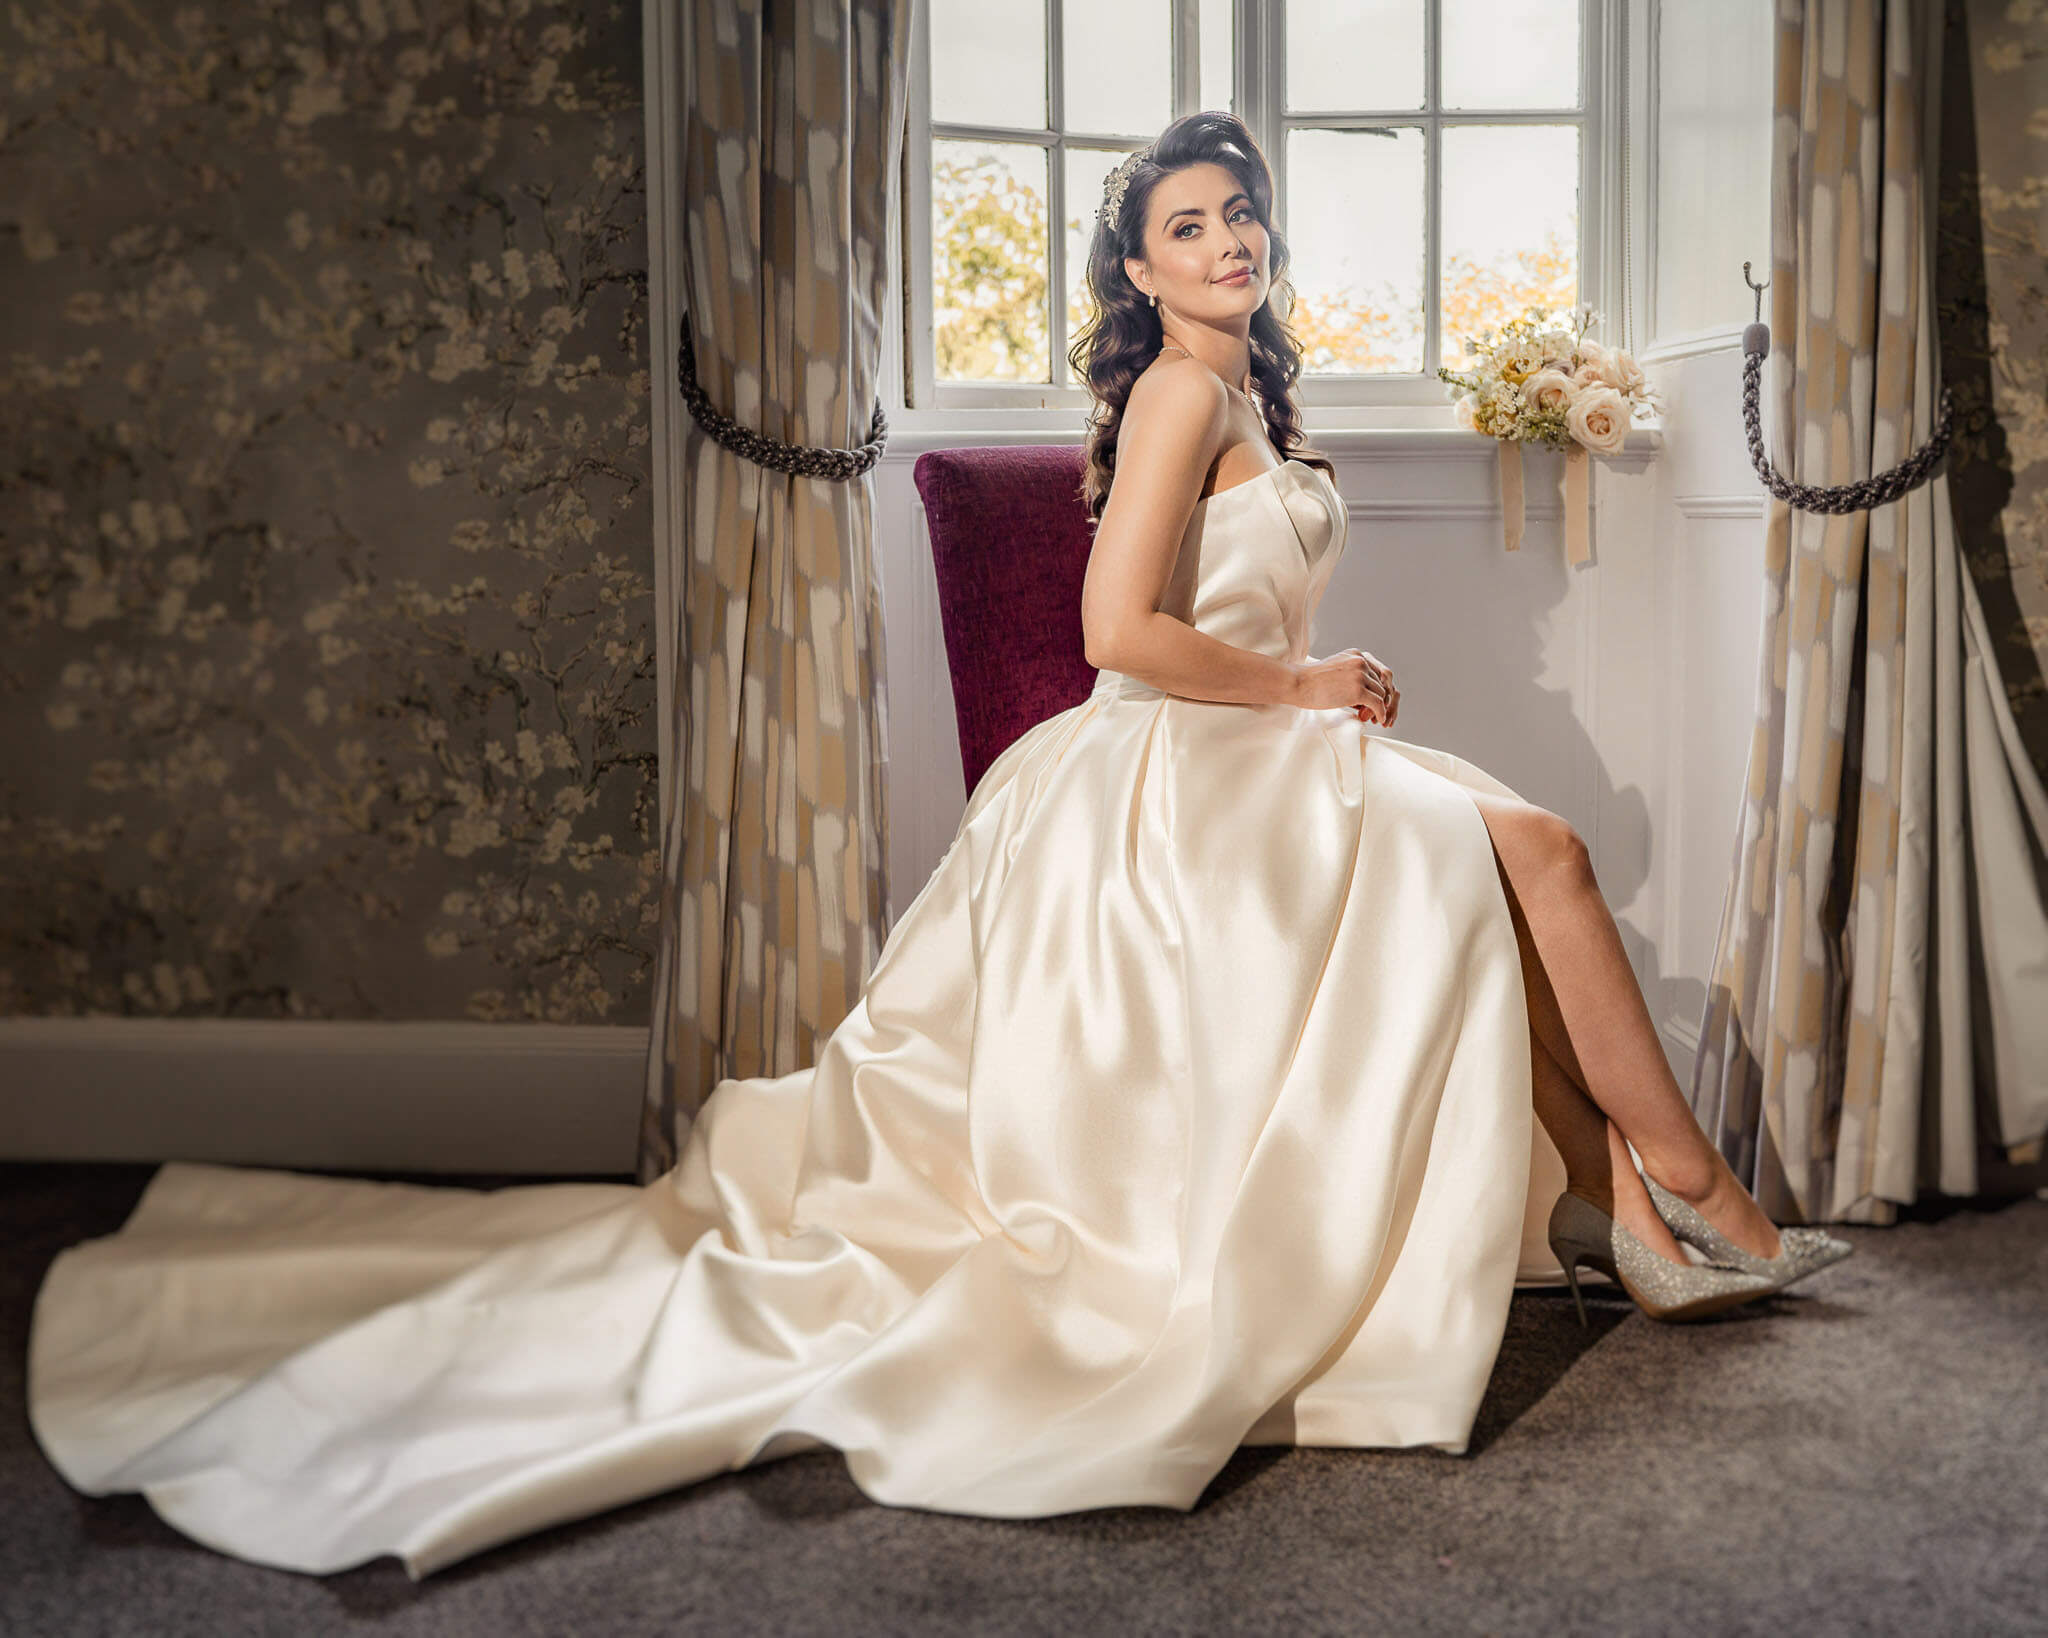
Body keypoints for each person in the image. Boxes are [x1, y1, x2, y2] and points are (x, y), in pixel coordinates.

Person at [25, 111, 1850, 1583]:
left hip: (1260, 750)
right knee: (1525, 847)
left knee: (1508, 862)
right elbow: (1119, 632)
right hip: (1186, 770)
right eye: (1191, 226)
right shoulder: (1176, 398)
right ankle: (1697, 1199)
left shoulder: (1247, 394)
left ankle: (1647, 1202)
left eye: (1246, 218)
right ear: (1137, 268)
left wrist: (1304, 699)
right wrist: (1302, 693)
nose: (1229, 244)